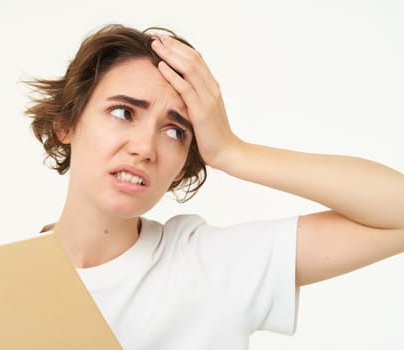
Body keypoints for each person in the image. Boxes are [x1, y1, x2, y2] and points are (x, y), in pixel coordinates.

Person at [25, 24, 404, 349]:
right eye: (124, 112)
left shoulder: (211, 265)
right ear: (67, 124)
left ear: (182, 165)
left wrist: (231, 151)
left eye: (175, 131)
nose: (144, 148)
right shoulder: (4, 283)